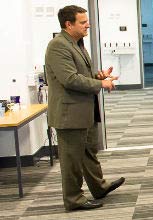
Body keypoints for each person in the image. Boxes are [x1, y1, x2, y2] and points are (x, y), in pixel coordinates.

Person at [45, 5, 125, 211]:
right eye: (83, 22)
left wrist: (98, 77)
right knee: (71, 159)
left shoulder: (77, 43)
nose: (88, 24)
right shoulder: (58, 45)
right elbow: (69, 79)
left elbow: (79, 75)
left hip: (84, 109)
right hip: (69, 113)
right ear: (68, 24)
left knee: (89, 152)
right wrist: (101, 84)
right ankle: (74, 199)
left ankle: (99, 187)